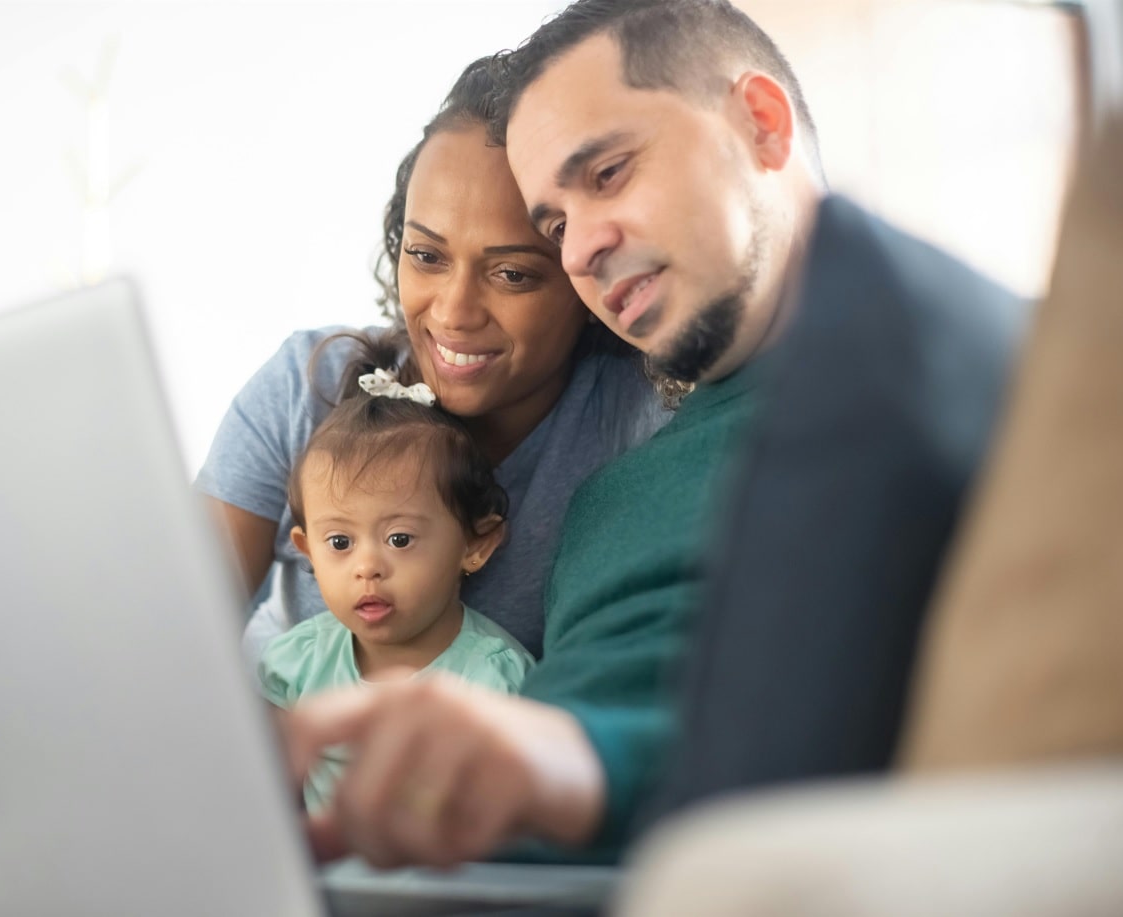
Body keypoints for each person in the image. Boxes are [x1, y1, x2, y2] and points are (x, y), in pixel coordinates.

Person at [284, 0, 827, 869]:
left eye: (609, 172)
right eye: (558, 224)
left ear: (760, 124)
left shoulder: (904, 374)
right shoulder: (619, 496)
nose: (584, 250)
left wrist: (555, 764)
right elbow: (603, 706)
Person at [195, 56, 672, 664]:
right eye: (426, 256)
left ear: (588, 276)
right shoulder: (303, 388)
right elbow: (170, 635)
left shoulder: (639, 427)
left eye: (512, 273)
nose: (453, 312)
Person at [259, 330, 535, 812]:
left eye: (400, 540)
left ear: (475, 544)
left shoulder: (494, 679)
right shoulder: (296, 664)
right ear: (307, 550)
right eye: (340, 543)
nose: (367, 568)